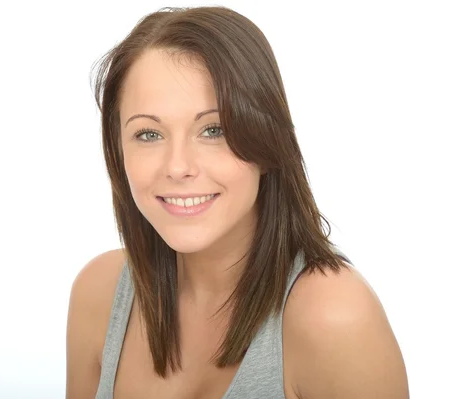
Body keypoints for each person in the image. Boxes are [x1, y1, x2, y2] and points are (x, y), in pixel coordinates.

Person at [66, 6, 409, 399]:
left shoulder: (334, 317)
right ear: (118, 150)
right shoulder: (99, 293)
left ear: (266, 143)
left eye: (213, 130)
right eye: (148, 134)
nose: (178, 167)